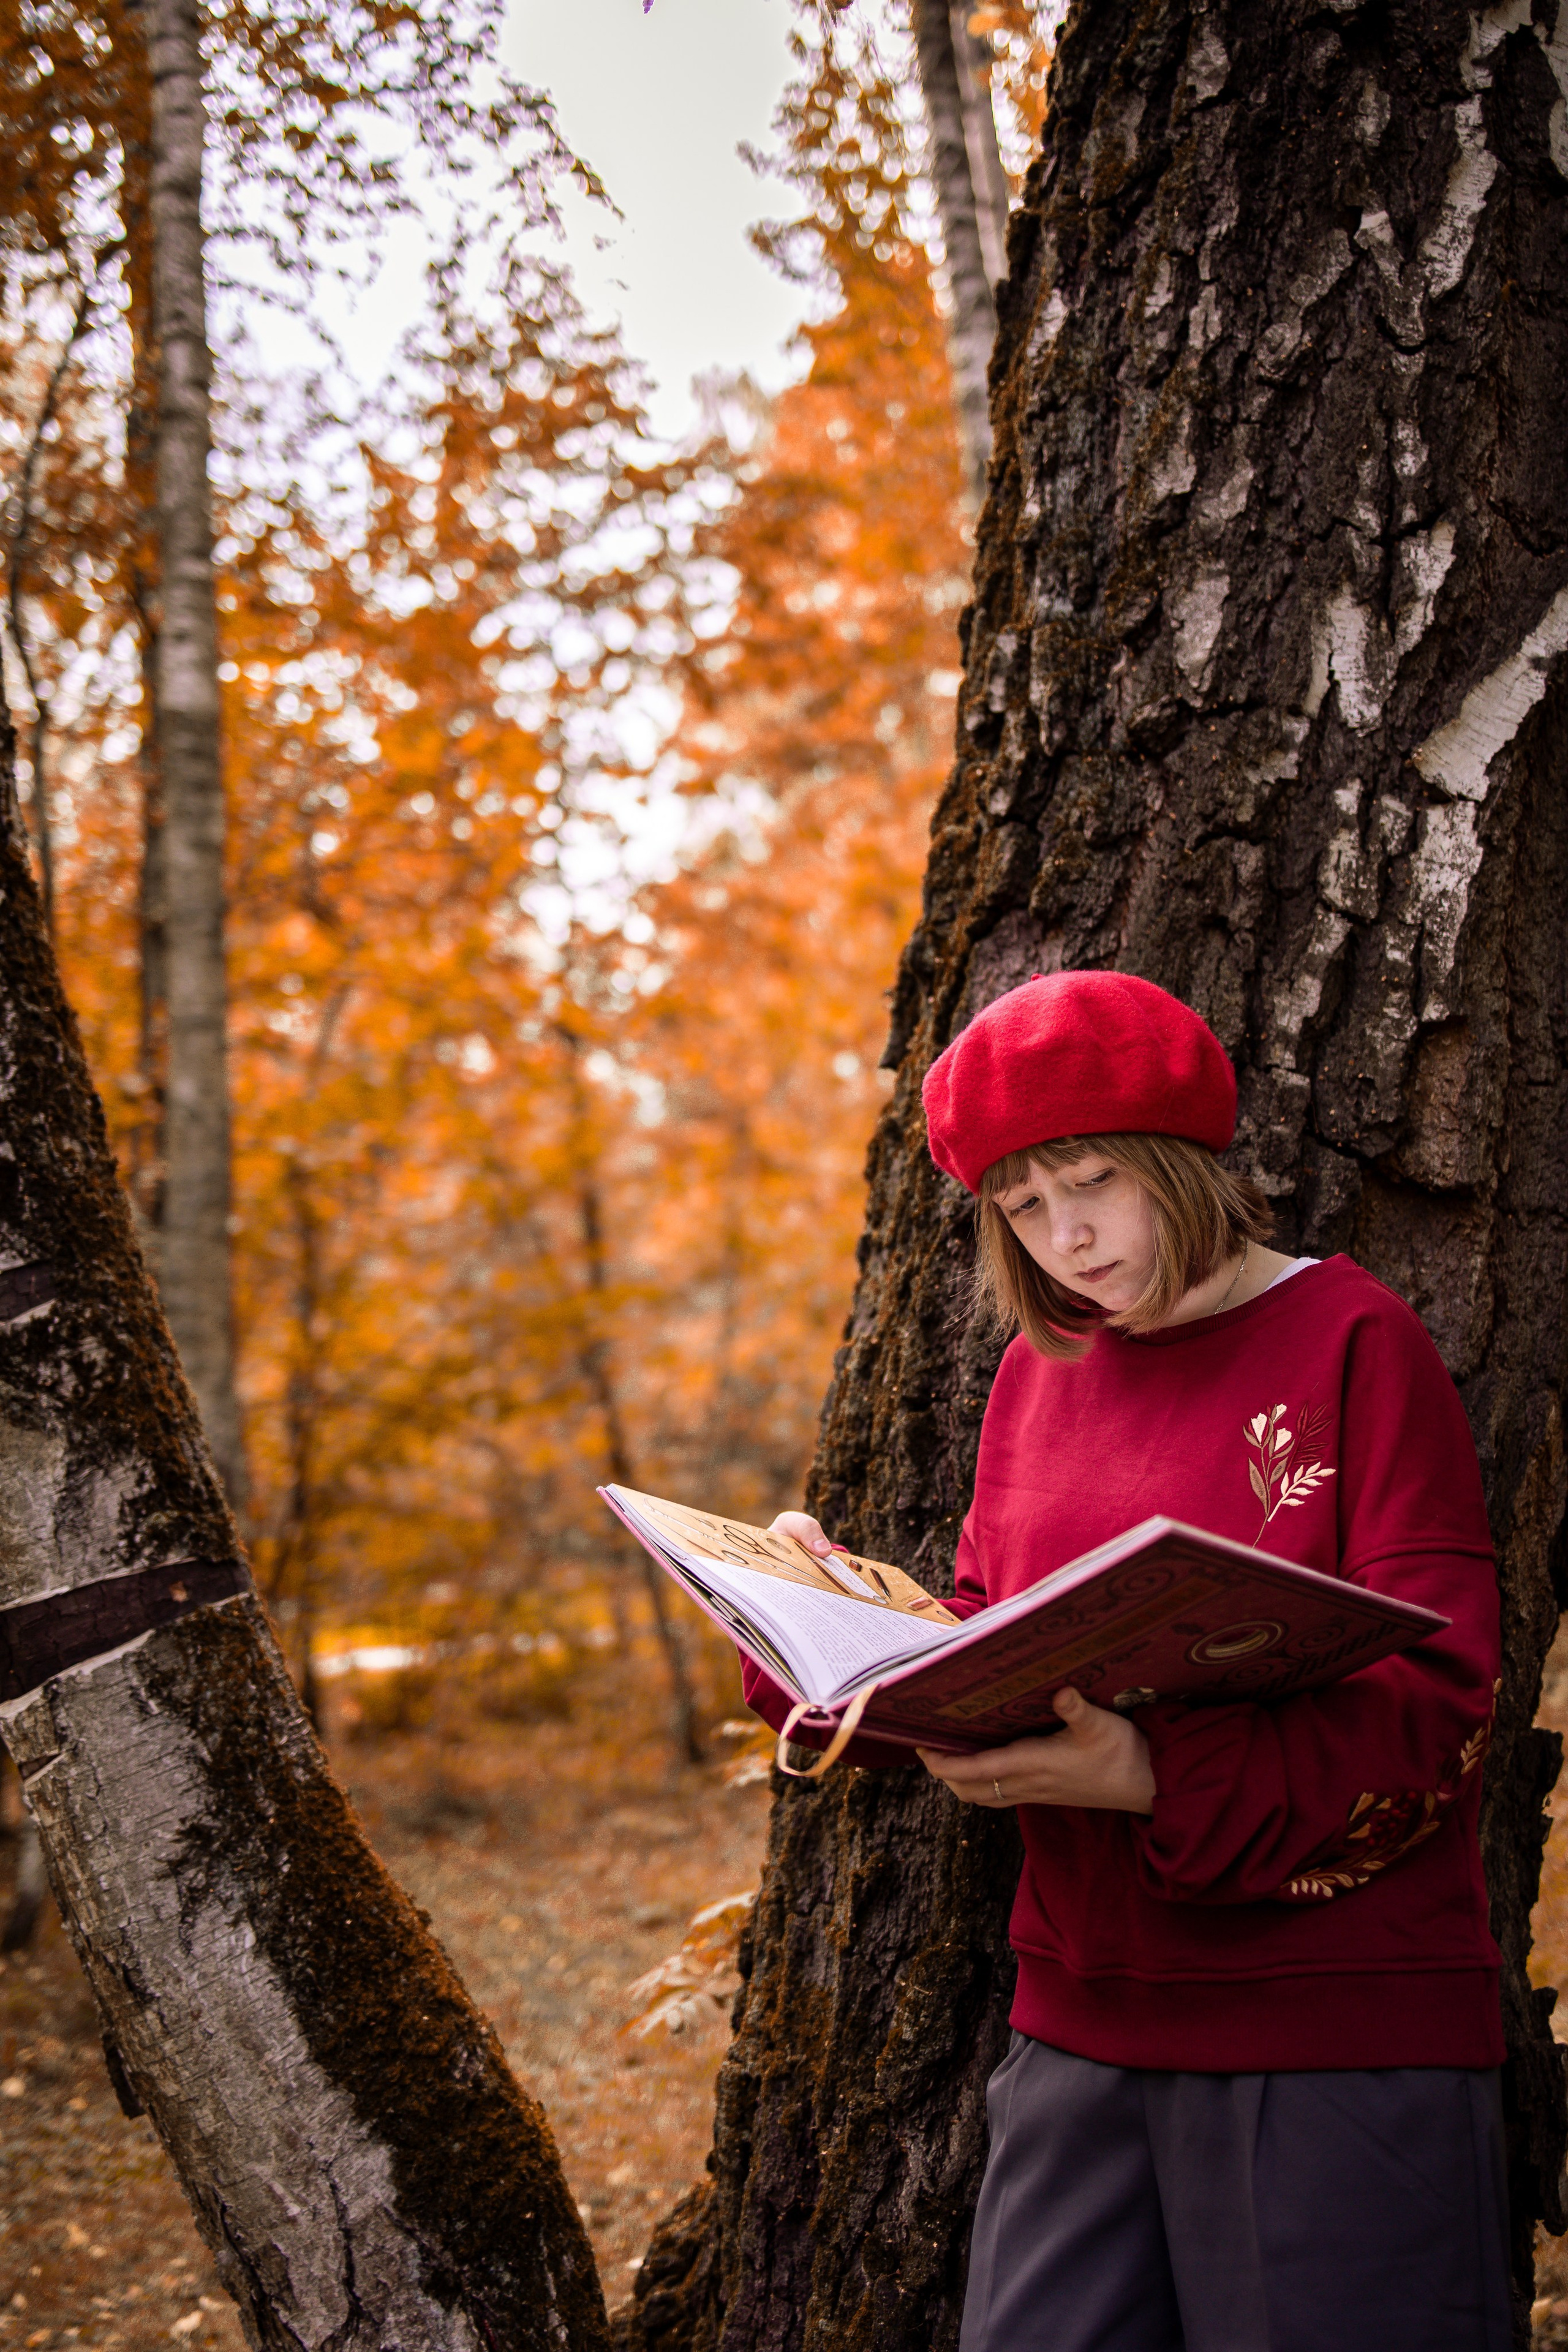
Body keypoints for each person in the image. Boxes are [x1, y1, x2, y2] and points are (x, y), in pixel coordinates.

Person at [744, 969, 1509, 2352]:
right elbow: (994, 1629)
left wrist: (1153, 1773)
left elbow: (1441, 1702)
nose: (1065, 1239)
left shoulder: (1351, 1341)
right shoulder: (1044, 1371)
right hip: (1079, 2014)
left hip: (1326, 2025)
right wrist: (829, 1621)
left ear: (1179, 1157)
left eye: (1092, 1182)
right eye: (1023, 1210)